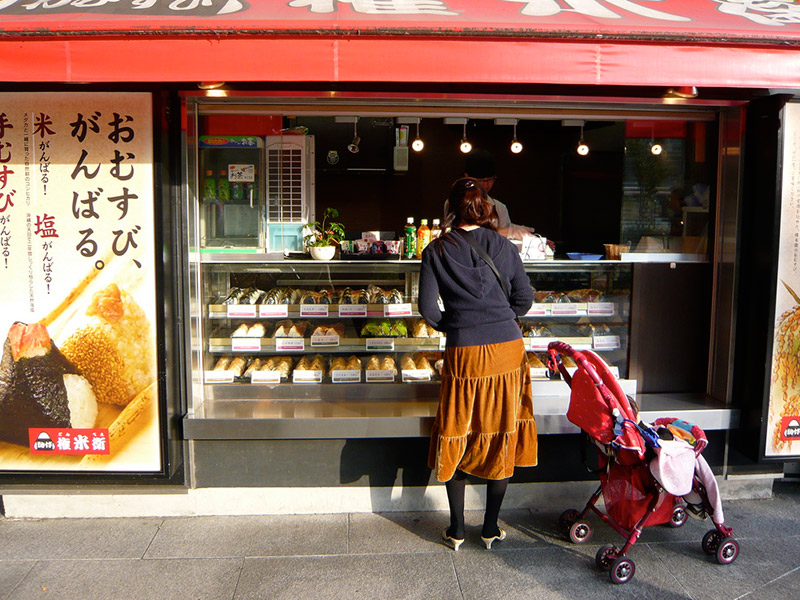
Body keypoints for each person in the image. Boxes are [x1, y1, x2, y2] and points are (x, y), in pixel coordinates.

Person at [419, 177, 538, 551]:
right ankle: (489, 528)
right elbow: (525, 299)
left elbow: (427, 308)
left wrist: (457, 326)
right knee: (501, 429)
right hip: (507, 350)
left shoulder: (436, 250)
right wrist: (500, 321)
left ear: (451, 209)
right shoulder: (504, 246)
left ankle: (456, 530)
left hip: (464, 351)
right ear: (486, 208)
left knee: (457, 429)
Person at [443, 149, 535, 240]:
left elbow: (505, 243)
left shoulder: (499, 207)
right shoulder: (455, 203)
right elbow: (457, 234)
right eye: (481, 181)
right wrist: (504, 231)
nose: (486, 185)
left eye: (490, 180)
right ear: (467, 177)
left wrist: (515, 231)